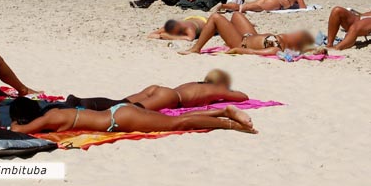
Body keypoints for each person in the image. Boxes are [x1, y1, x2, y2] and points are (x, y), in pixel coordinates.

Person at [42, 69, 249, 113]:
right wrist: (226, 91)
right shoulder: (216, 89)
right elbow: (243, 97)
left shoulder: (196, 83)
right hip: (170, 97)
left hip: (159, 88)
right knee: (125, 108)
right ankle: (84, 106)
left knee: (119, 102)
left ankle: (83, 101)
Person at [9, 99, 256, 134]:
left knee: (177, 123)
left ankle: (227, 123)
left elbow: (18, 132)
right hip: (119, 111)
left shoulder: (47, 120)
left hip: (120, 120)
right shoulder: (54, 111)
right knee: (172, 121)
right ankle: (223, 111)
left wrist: (15, 124)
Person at [178, 12, 322, 56]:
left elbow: (251, 52)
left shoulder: (276, 48)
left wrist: (233, 50)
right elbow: (310, 48)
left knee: (216, 17)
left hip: (241, 41)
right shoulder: (281, 40)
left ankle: (196, 48)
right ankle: (227, 32)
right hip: (251, 35)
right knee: (236, 15)